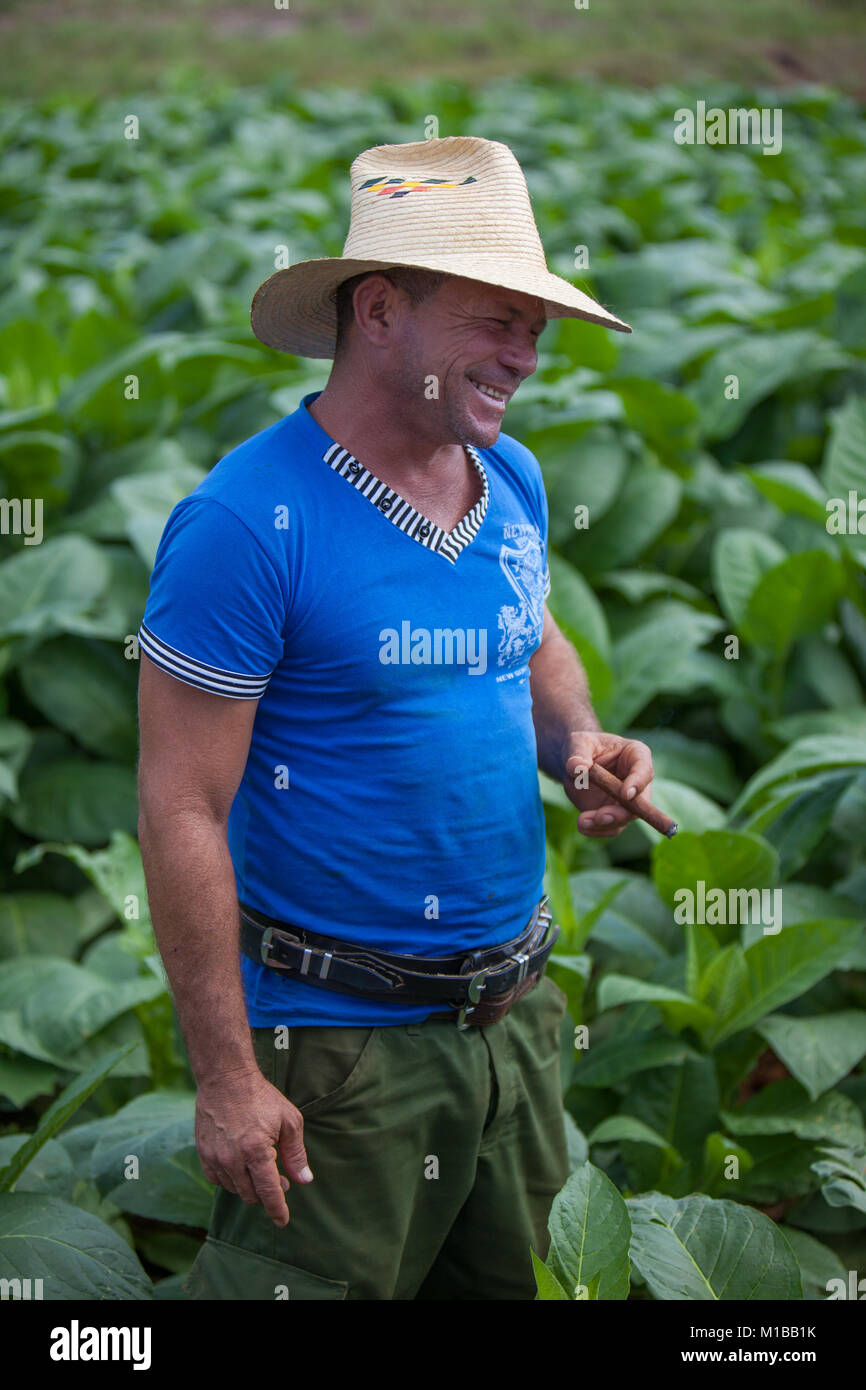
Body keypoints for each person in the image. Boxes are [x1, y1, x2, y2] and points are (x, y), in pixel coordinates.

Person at [136, 135, 653, 1300]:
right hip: (337, 1055)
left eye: (536, 325)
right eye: (495, 320)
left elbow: (533, 636)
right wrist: (226, 1076)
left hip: (514, 1026)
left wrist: (574, 739)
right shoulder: (245, 521)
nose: (525, 356)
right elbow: (179, 807)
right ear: (378, 309)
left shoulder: (506, 476)